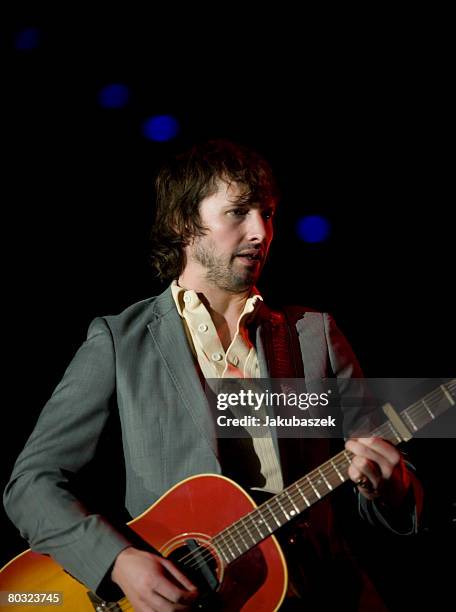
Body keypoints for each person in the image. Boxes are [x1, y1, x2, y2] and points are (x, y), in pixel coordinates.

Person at [3, 139, 422, 611]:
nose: (261, 231)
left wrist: (393, 485)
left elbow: (388, 483)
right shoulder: (121, 342)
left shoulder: (313, 336)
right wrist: (118, 562)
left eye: (267, 214)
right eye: (239, 212)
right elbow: (32, 483)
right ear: (184, 222)